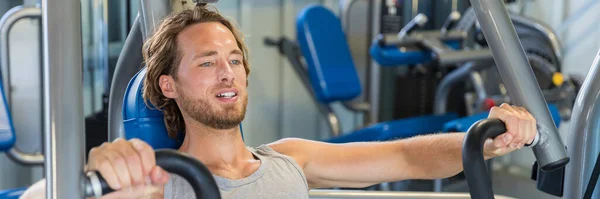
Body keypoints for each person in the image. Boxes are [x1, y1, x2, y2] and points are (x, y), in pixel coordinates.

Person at [21, 5, 538, 199]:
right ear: (168, 86)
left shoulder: (290, 158)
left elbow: (406, 156)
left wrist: (488, 139)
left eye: (233, 59)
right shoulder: (161, 184)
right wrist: (94, 170)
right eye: (206, 62)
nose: (227, 72)